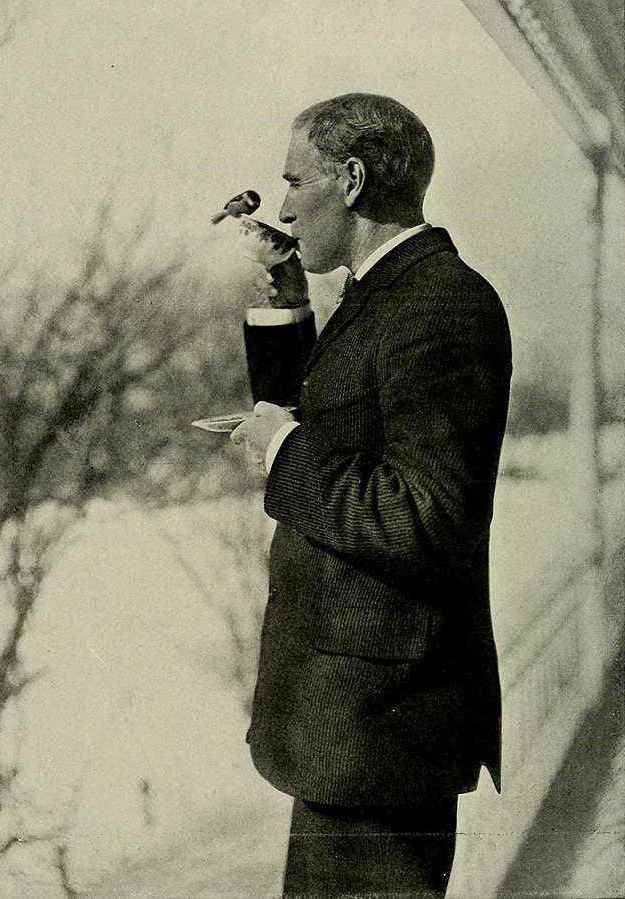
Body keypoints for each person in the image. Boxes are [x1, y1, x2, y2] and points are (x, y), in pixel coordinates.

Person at [231, 92, 512, 898]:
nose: (281, 206)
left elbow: (425, 516)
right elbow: (326, 419)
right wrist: (284, 302)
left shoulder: (443, 305)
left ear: (350, 180)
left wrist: (282, 452)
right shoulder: (385, 295)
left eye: (294, 182)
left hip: (383, 738)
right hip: (348, 732)